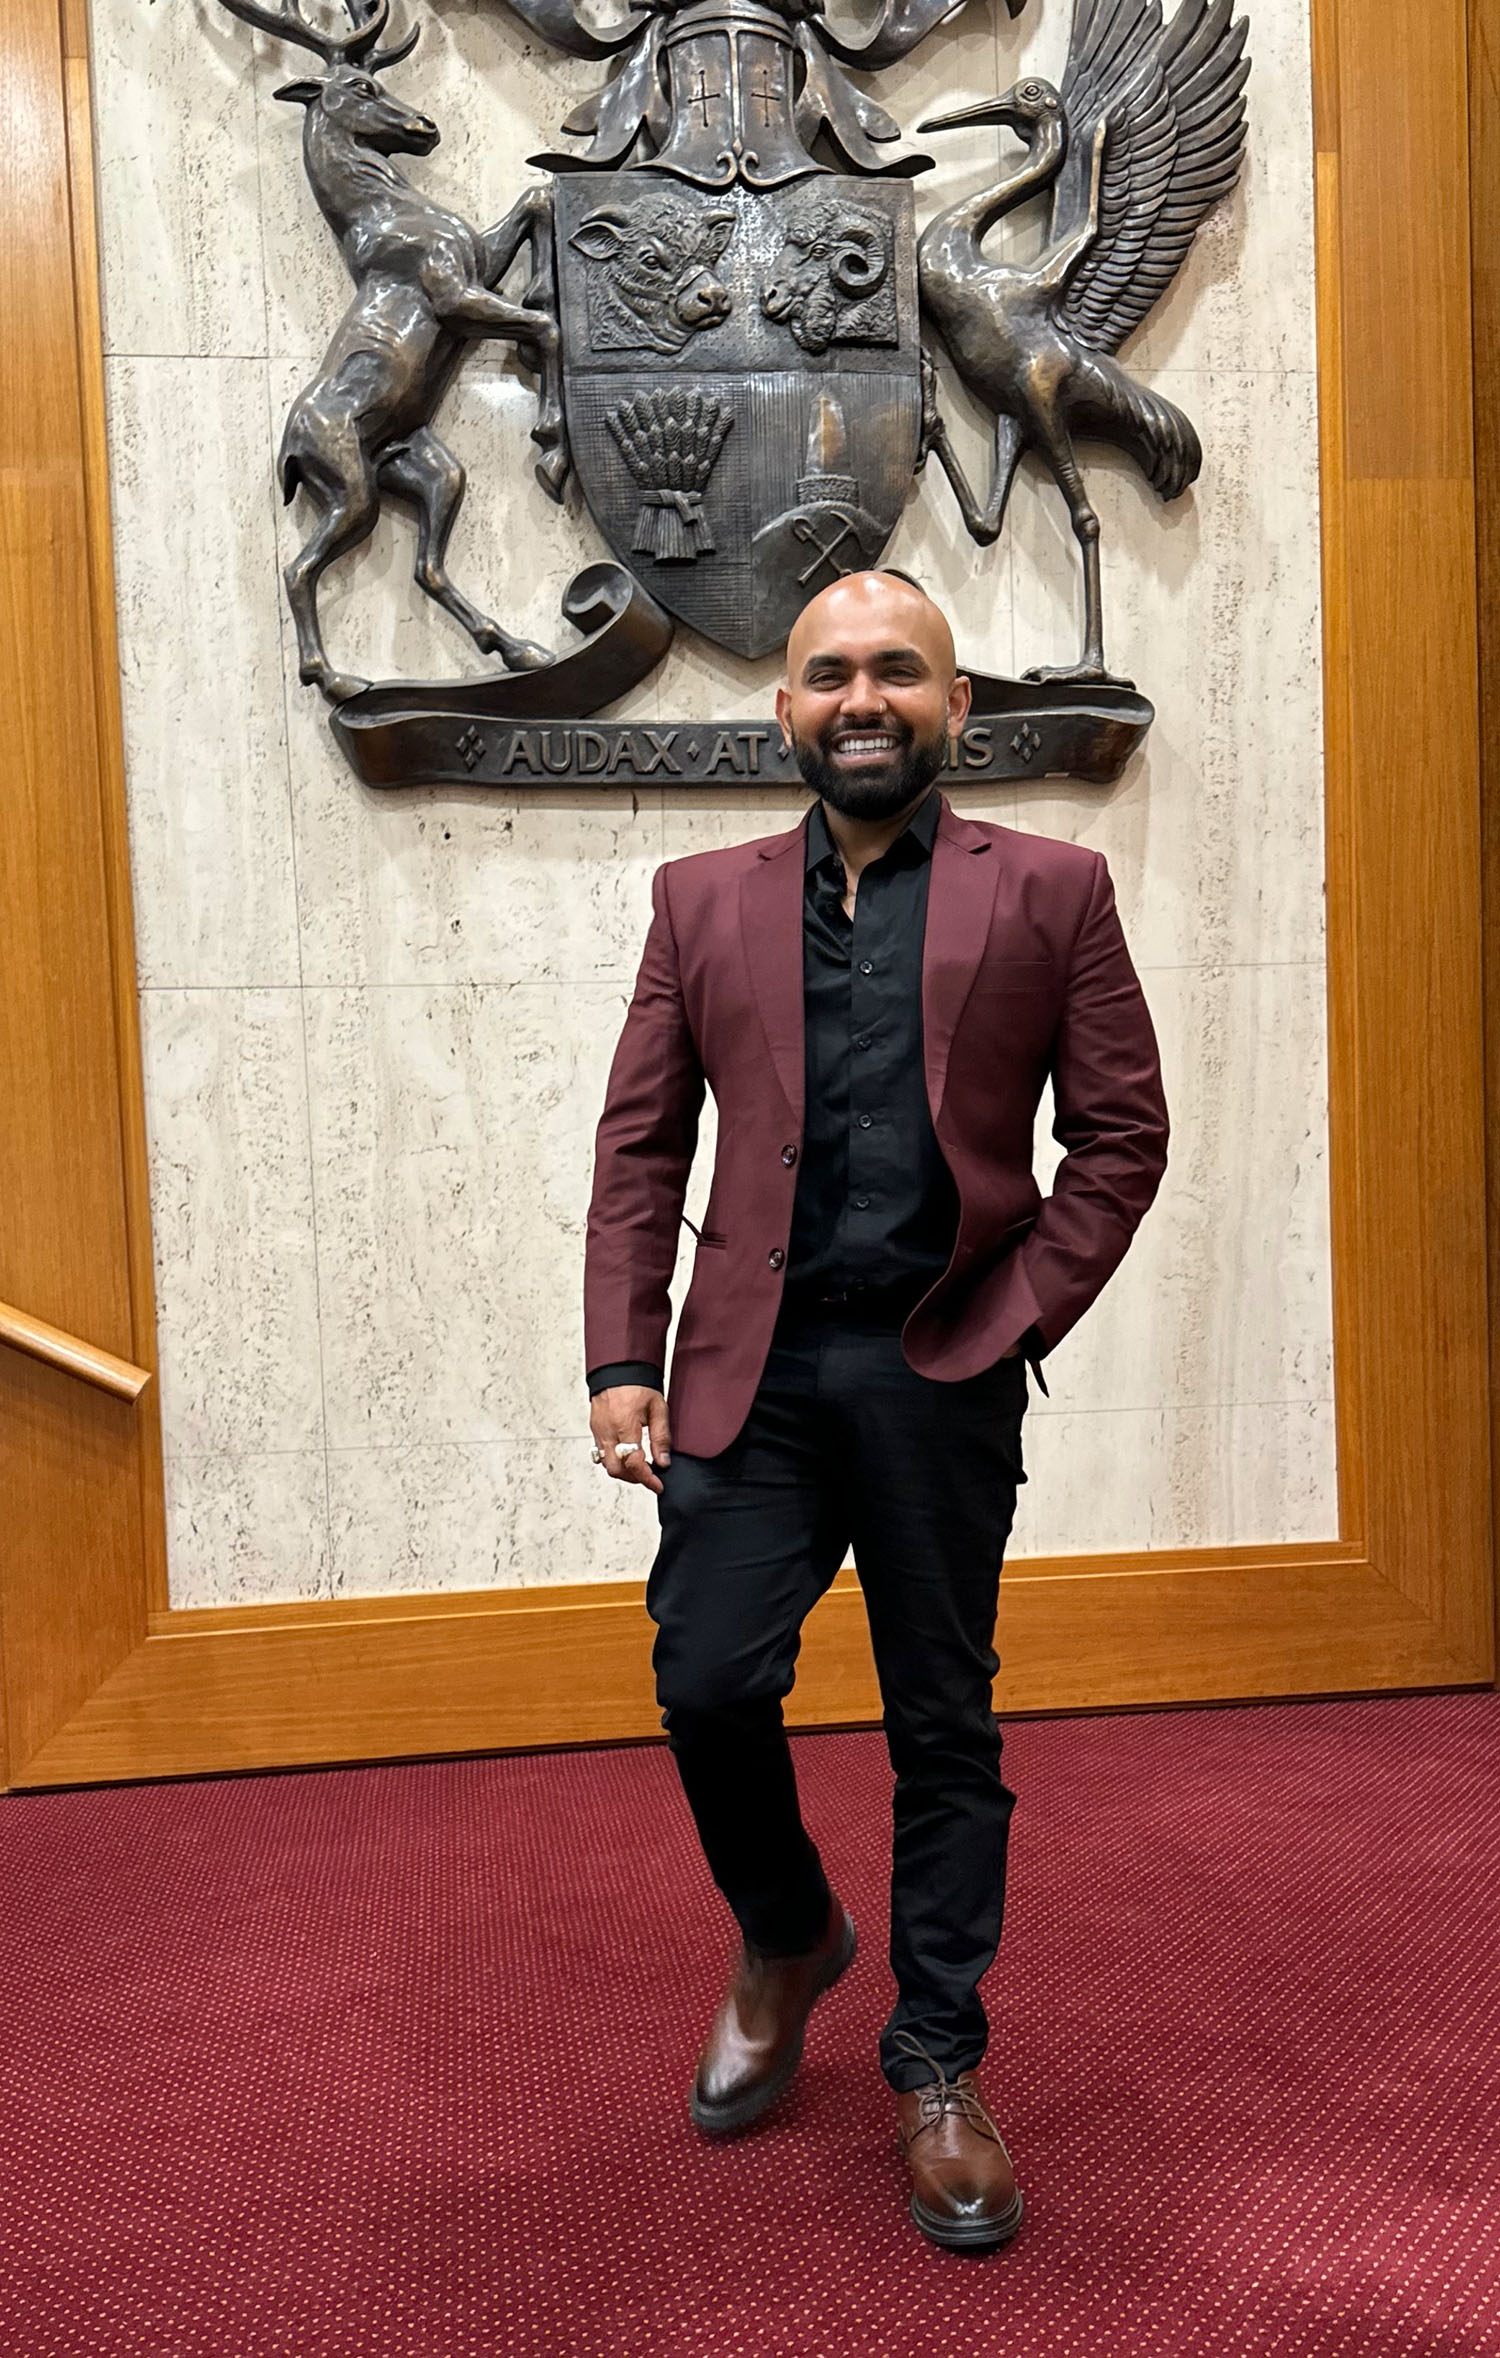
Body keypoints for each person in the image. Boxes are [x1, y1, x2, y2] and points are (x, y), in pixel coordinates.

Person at [583, 571, 1168, 2252]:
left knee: (942, 1723)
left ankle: (937, 2062)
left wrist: (1014, 1314)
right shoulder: (698, 900)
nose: (863, 697)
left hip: (938, 1373)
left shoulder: (1055, 890)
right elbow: (642, 1144)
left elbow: (1121, 1138)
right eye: (829, 672)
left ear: (954, 703)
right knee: (705, 1675)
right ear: (784, 711)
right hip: (748, 1373)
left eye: (897, 671)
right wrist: (625, 1356)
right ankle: (785, 1929)